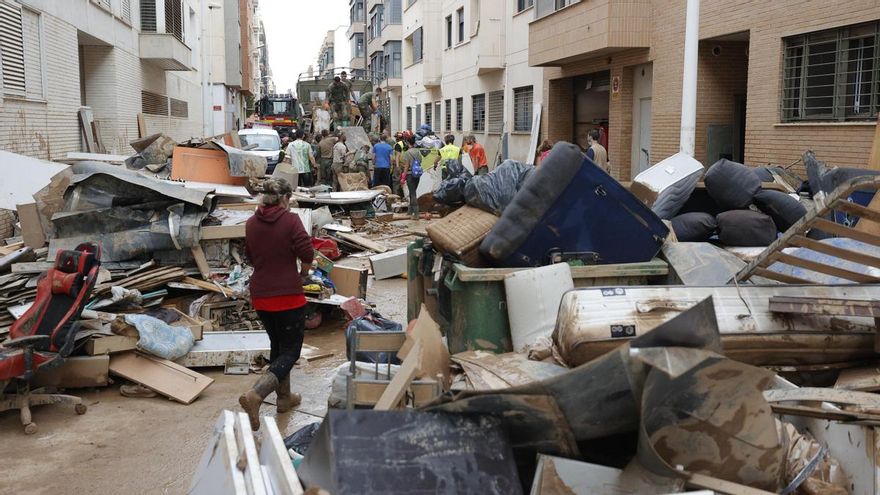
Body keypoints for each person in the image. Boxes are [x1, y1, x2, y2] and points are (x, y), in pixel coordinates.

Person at [239, 178, 313, 431]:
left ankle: (284, 398)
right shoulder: (290, 220)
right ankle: (256, 394)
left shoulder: (251, 223)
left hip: (261, 295)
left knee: (278, 346)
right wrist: (304, 270)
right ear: (283, 198)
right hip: (288, 295)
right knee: (291, 351)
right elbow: (307, 252)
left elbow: (249, 255)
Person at [401, 134, 424, 219]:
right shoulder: (418, 151)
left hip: (410, 175)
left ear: (407, 142)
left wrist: (403, 177)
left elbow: (406, 166)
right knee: (412, 192)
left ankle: (417, 214)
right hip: (417, 174)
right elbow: (420, 161)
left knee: (413, 193)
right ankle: (410, 211)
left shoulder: (407, 153)